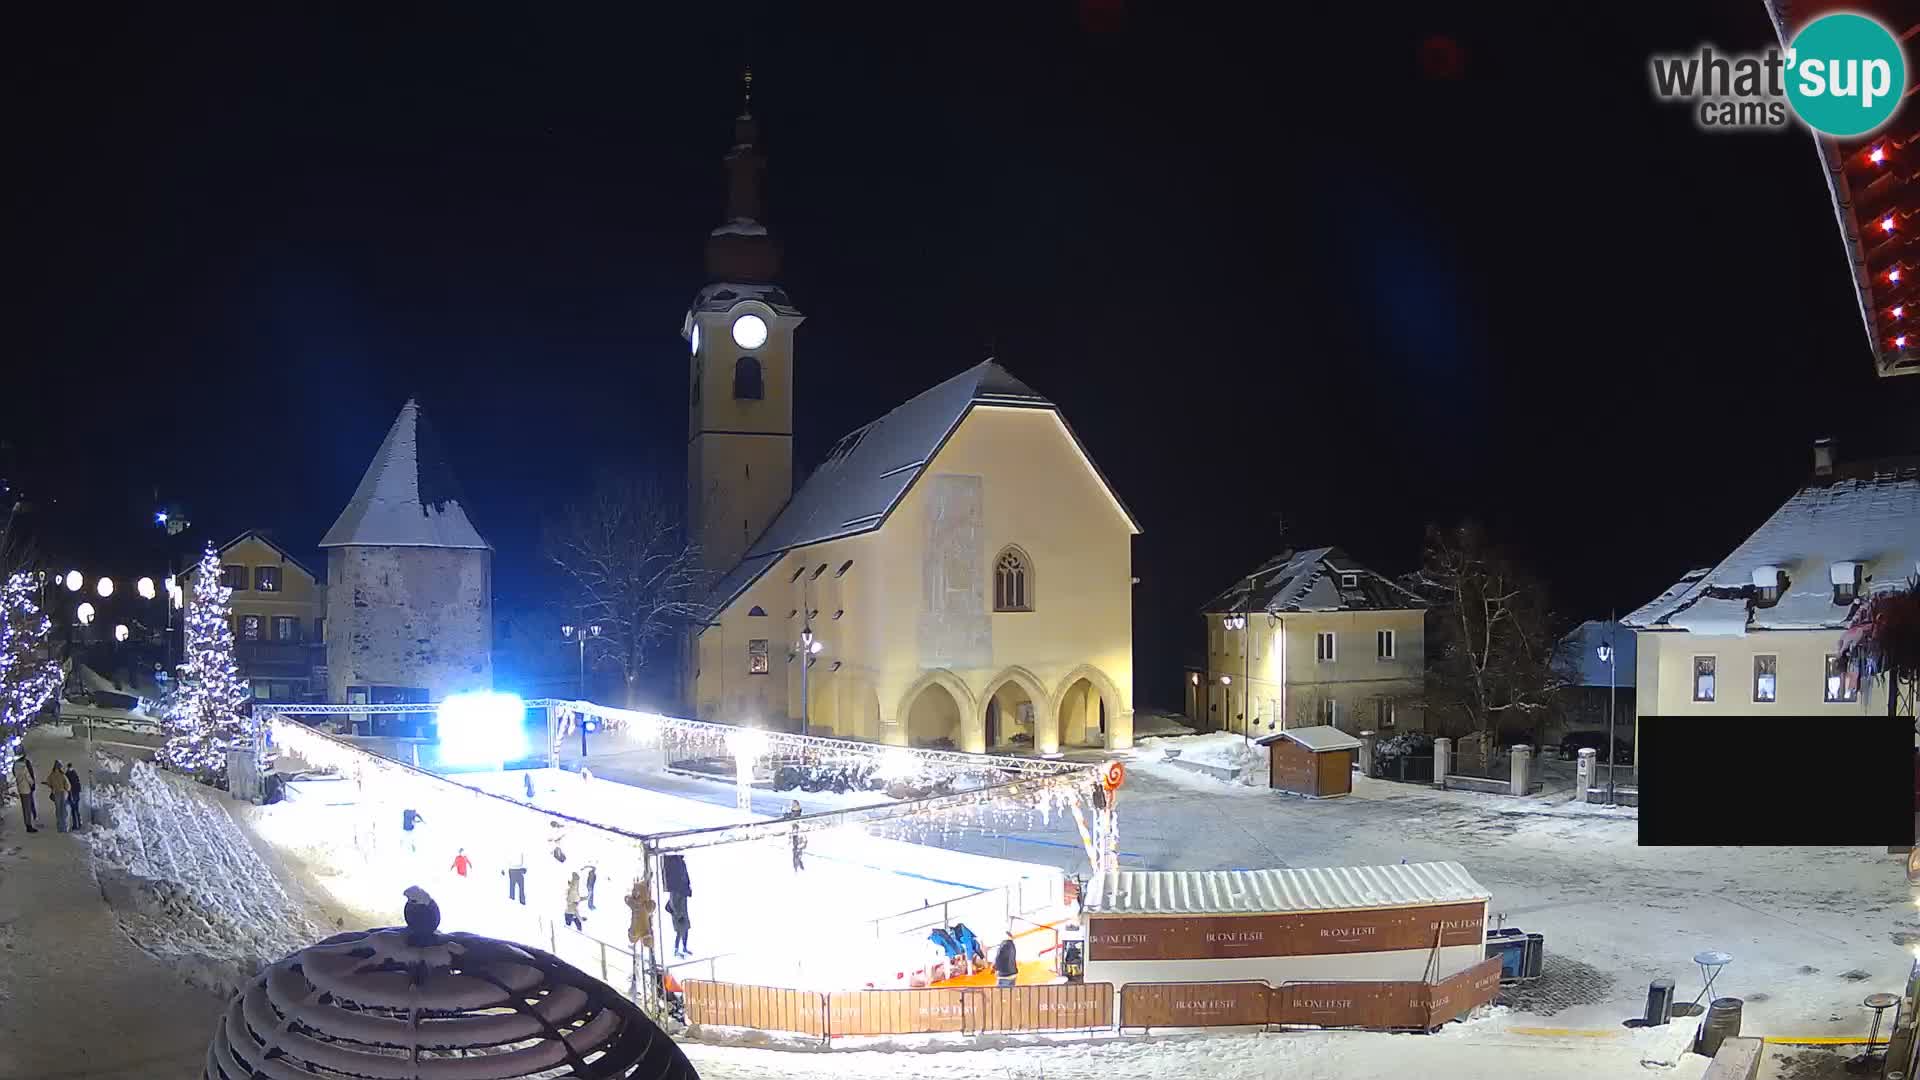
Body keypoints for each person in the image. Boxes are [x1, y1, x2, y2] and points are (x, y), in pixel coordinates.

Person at [11, 754, 38, 832]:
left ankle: (27, 824)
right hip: (26, 788)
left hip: (20, 788)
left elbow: (14, 774)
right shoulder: (23, 766)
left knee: (24, 807)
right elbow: (28, 776)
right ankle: (29, 826)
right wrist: (32, 784)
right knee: (27, 808)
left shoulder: (15, 766)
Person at [45, 759, 71, 833]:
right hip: (63, 793)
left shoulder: (52, 775)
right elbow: (68, 786)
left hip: (56, 793)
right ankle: (65, 828)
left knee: (58, 810)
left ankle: (59, 828)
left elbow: (48, 782)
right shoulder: (62, 775)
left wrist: (52, 787)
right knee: (64, 811)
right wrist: (67, 790)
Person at [667, 893, 691, 958]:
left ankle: (684, 948)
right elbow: (671, 906)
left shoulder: (682, 891)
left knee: (685, 931)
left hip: (684, 914)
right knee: (679, 932)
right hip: (678, 917)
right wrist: (678, 915)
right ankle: (676, 950)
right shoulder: (674, 893)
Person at [785, 800, 806, 872]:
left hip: (797, 835)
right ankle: (797, 865)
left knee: (796, 851)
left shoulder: (795, 814)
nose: (792, 805)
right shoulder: (795, 813)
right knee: (796, 851)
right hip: (796, 835)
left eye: (793, 805)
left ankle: (797, 867)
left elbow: (795, 822)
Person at [64, 762, 82, 833]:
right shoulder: (75, 773)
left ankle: (75, 825)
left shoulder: (67, 774)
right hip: (76, 794)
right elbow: (78, 784)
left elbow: (68, 786)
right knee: (76, 810)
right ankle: (78, 824)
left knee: (73, 810)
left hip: (72, 795)